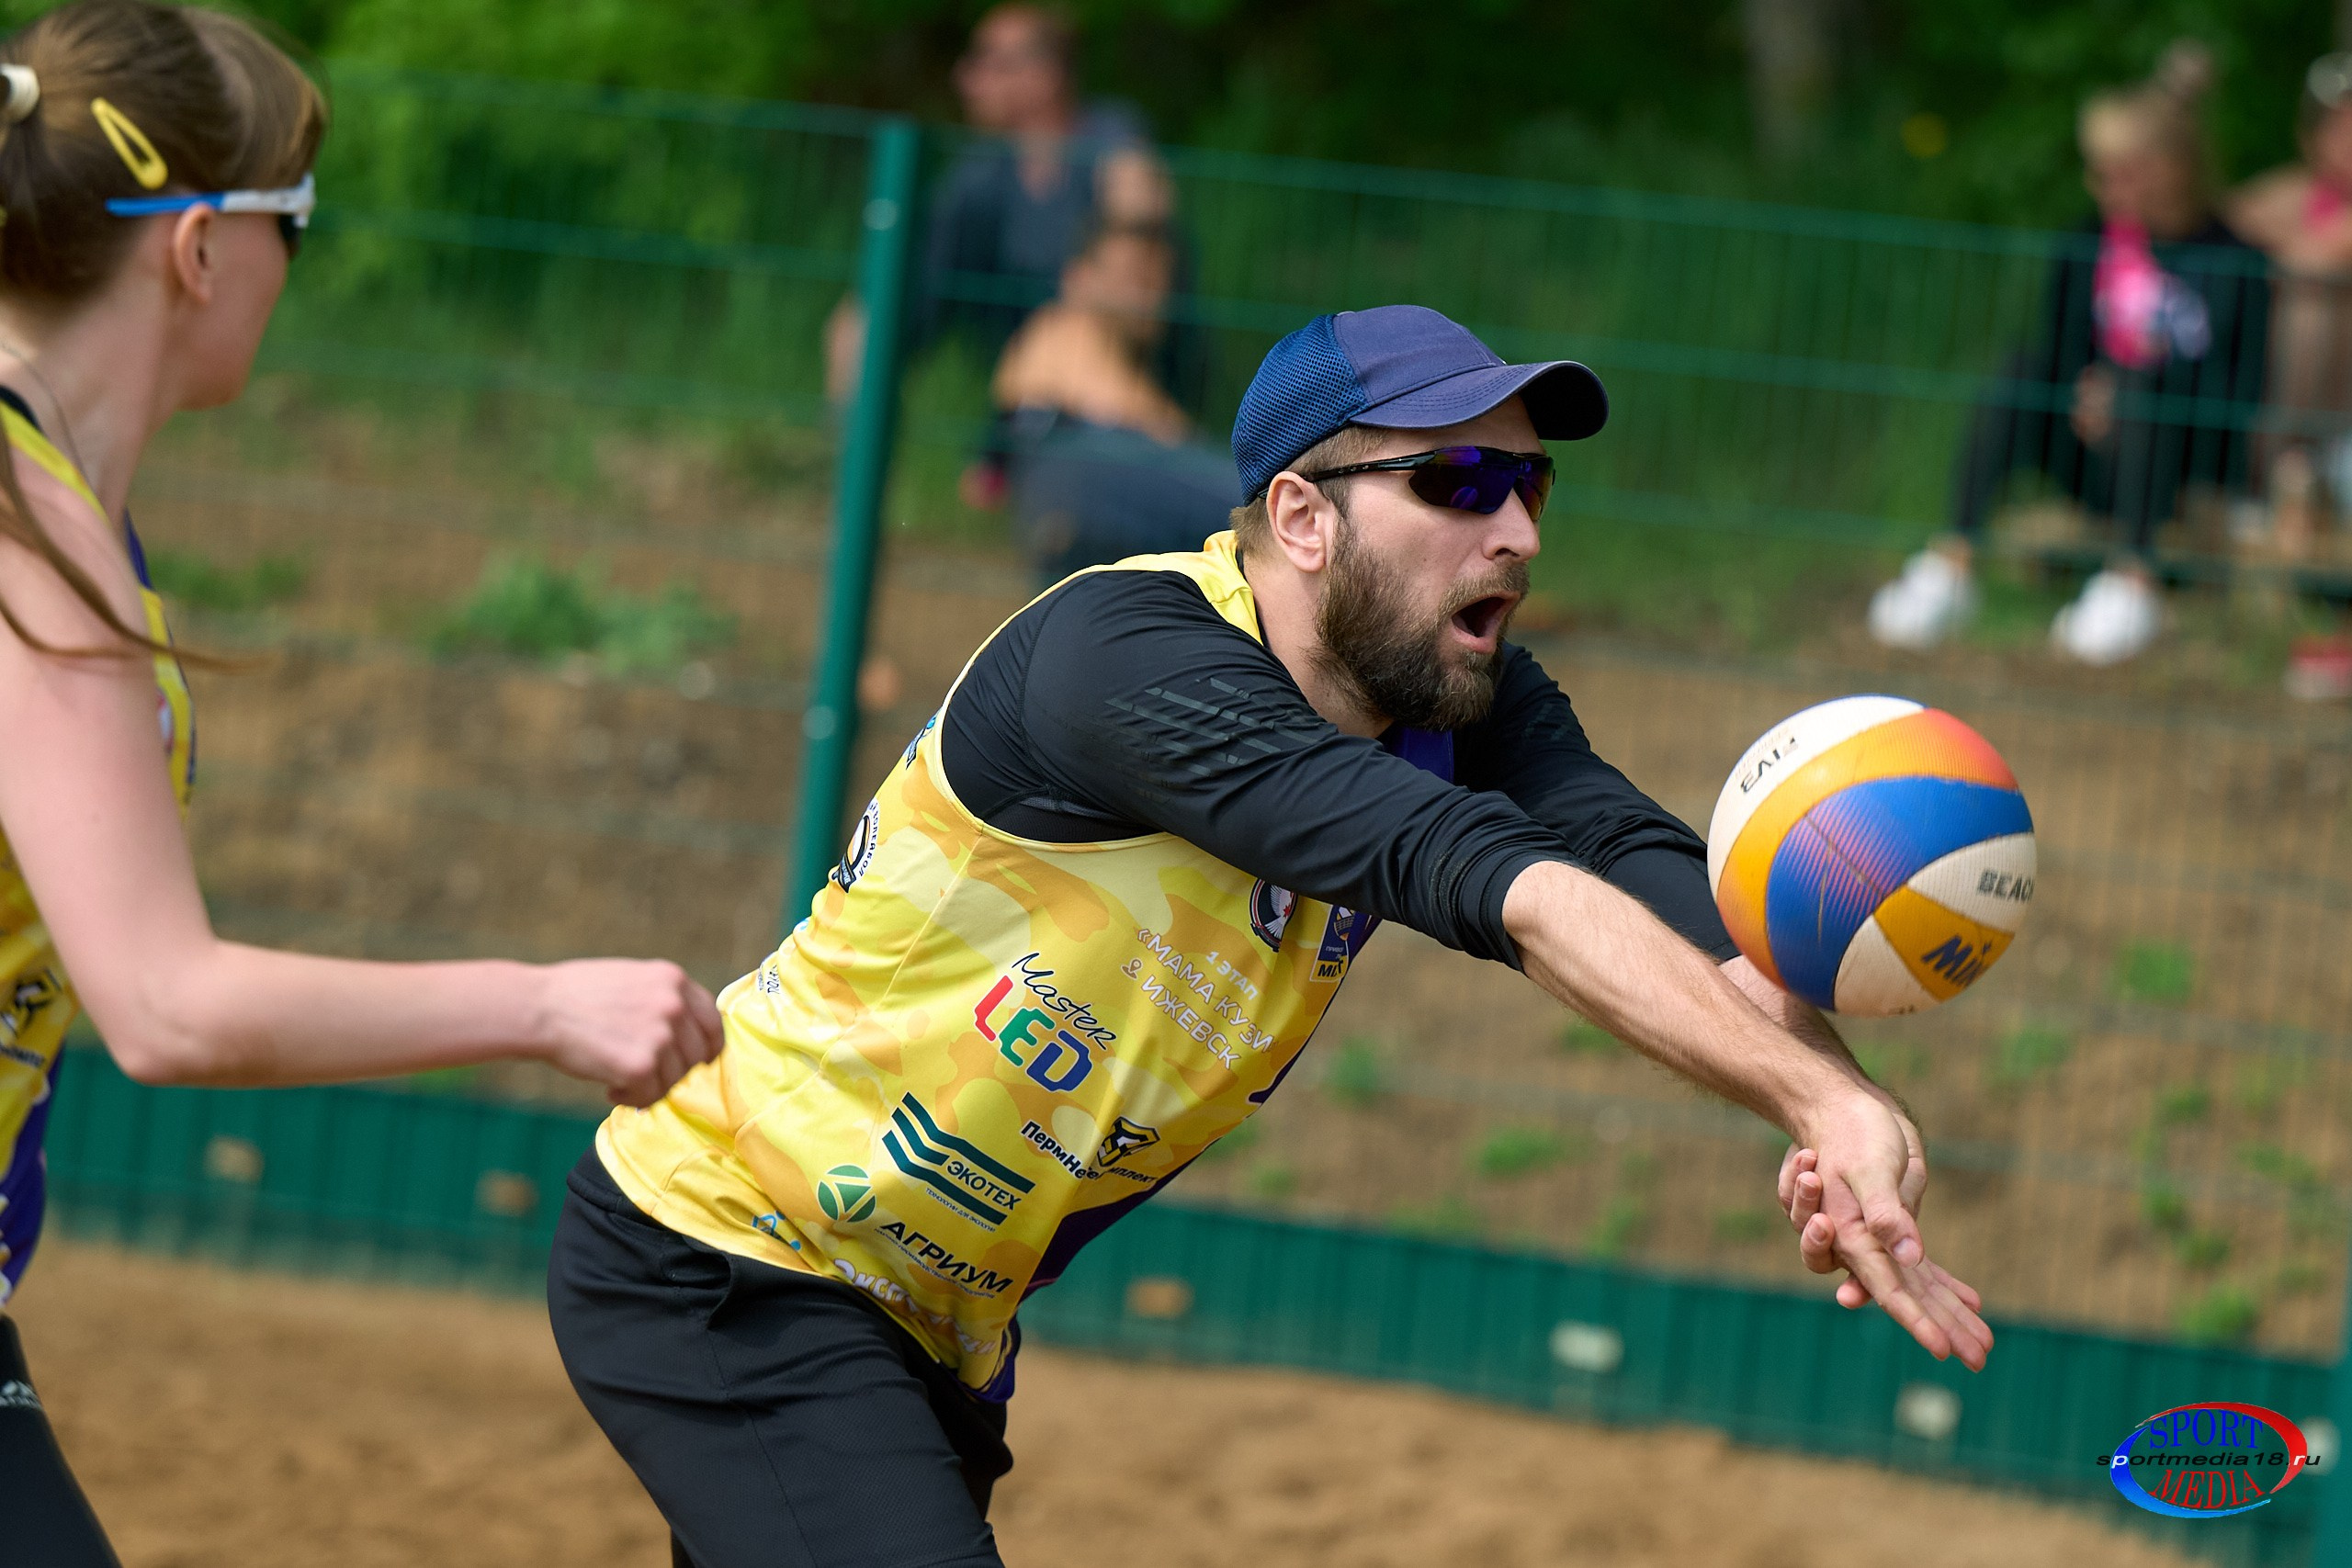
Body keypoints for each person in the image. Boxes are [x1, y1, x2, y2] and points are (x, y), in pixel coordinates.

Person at [549, 304, 1992, 1568]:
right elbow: (1494, 879)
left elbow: (1648, 878)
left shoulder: (1459, 692)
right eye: (1459, 478)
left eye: (1531, 482)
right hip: (735, 1246)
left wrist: (1850, 1101)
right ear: (1302, 516)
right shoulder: (1128, 660)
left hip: (930, 1321)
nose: (1520, 530)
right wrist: (1804, 1092)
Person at [0, 6, 724, 1561]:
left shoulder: (59, 519)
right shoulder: (31, 543)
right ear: (195, 247)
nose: (292, 268)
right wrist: (545, 1006)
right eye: (296, 224)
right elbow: (168, 1007)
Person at [1871, 43, 2269, 665]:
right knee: (2017, 369)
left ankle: (2133, 582)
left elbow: (2239, 390)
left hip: (2183, 456)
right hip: (2086, 446)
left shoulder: (2235, 259)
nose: (2100, 186)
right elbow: (2057, 346)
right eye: (2098, 170)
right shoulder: (2086, 243)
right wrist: (2086, 395)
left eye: (2118, 171)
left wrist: (2139, 388)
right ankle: (1953, 563)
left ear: (2169, 168)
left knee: (2139, 388)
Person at [824, 6, 1203, 411]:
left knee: (1068, 338)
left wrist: (1085, 296)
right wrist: (873, 315)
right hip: (1020, 377)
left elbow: (1141, 215)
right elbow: (924, 266)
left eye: (989, 61)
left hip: (1111, 371)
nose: (966, 78)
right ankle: (849, 465)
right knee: (857, 324)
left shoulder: (1111, 134)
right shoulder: (980, 177)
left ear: (1043, 76)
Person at [974, 214, 1239, 582]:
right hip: (1081, 467)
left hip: (1071, 497)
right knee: (1245, 507)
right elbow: (1148, 425)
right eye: (1136, 280)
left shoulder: (1112, 358)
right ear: (1078, 279)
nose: (1153, 297)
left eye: (1160, 282)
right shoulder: (1064, 330)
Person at [2232, 52, 2352, 552]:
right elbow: (2216, 225)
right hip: (2287, 415)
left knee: (2311, 300)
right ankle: (2287, 472)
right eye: (2338, 125)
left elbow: (2322, 257)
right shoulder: (2284, 196)